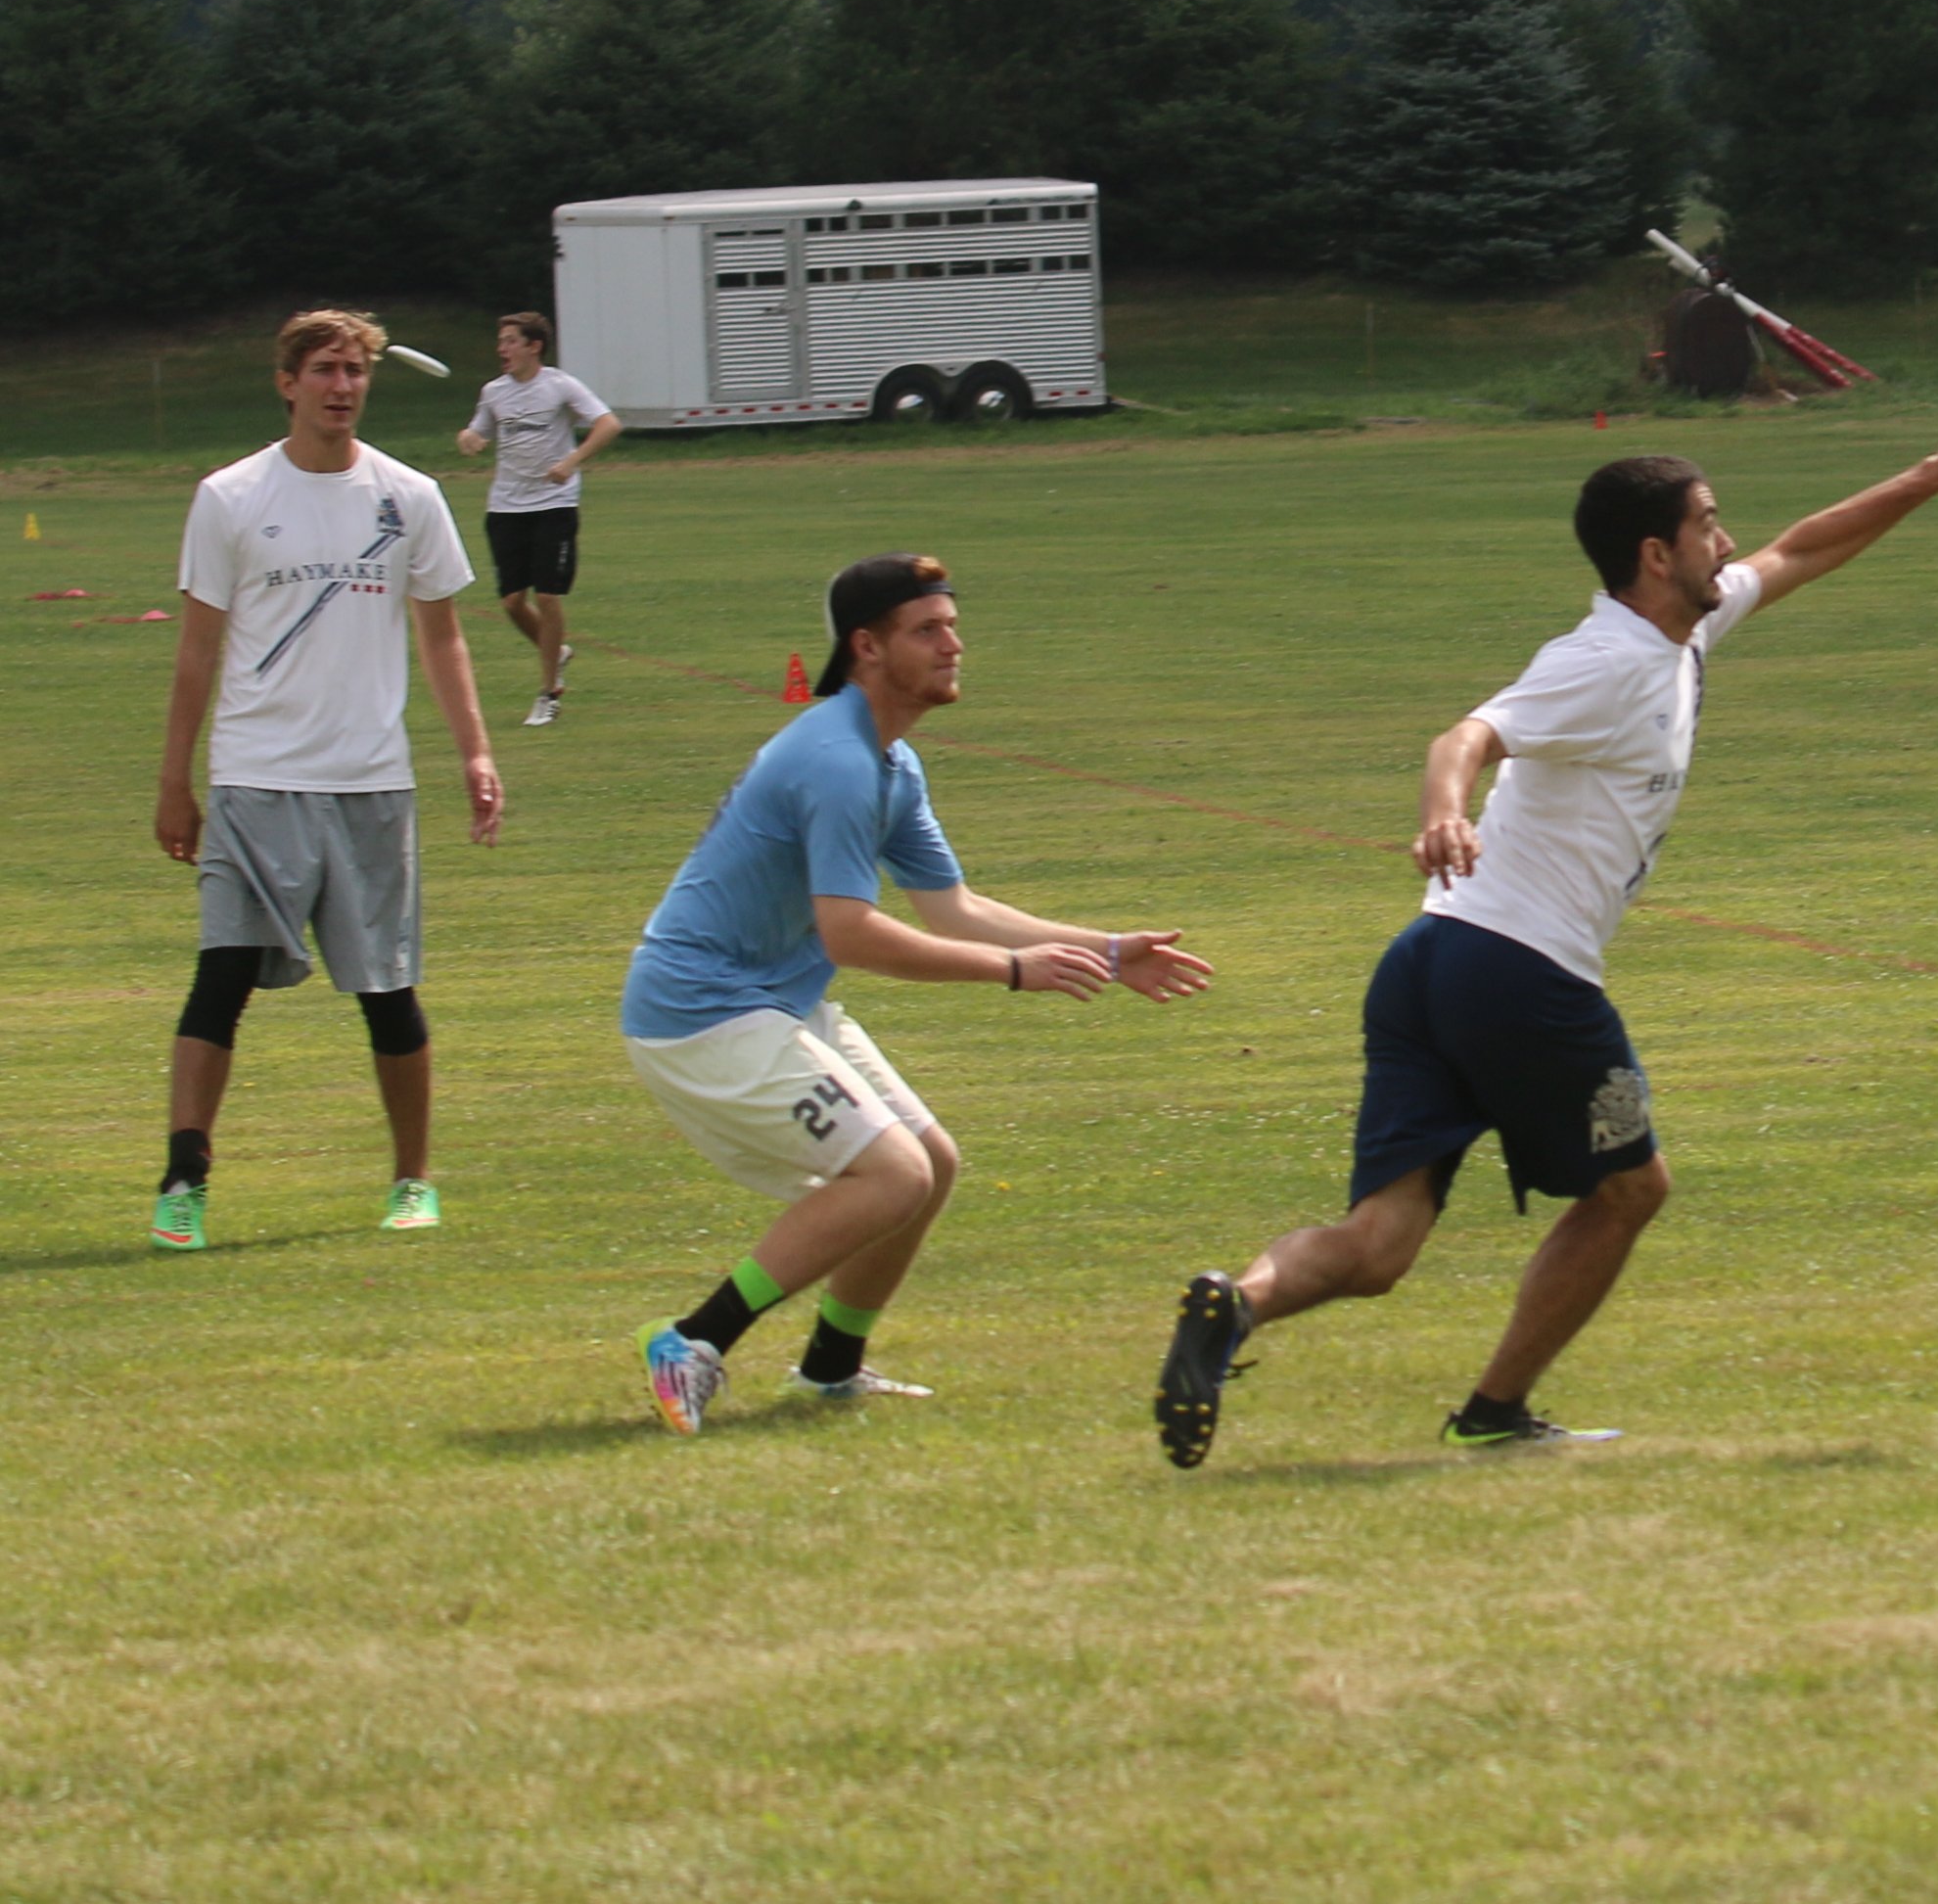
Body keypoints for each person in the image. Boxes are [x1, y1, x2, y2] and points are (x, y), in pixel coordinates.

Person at [1154, 377, 1938, 1466]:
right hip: (1520, 971)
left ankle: (1236, 1303)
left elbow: (1802, 550)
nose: (1727, 542)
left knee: (1379, 1245)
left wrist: (1931, 477)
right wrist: (1443, 812)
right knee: (1629, 1189)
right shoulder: (1603, 661)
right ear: (1657, 554)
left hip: (1429, 959)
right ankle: (1495, 1411)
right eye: (1709, 524)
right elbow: (1466, 735)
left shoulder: (1681, 633)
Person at [627, 553, 1215, 1433]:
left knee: (929, 1164)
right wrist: (1013, 972)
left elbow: (954, 908)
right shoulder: (837, 759)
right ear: (867, 647)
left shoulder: (889, 762)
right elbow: (850, 934)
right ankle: (693, 1342)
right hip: (699, 1011)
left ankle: (831, 1367)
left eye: (952, 626)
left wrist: (1105, 948)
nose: (954, 645)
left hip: (766, 1001)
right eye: (928, 630)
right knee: (892, 1172)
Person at [151, 310, 505, 1250]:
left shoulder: (409, 495)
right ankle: (184, 1180)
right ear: (287, 383)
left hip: (369, 783)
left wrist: (474, 751)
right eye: (324, 370)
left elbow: (443, 636)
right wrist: (174, 781)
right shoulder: (230, 497)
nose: (342, 386)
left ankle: (413, 1180)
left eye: (355, 371)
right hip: (254, 780)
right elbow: (196, 651)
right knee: (220, 977)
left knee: (388, 994)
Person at [454, 311, 618, 727]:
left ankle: (549, 693)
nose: (502, 348)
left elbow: (608, 423)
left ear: (534, 346)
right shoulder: (494, 392)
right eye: (501, 341)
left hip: (554, 503)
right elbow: (478, 431)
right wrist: (469, 439)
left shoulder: (560, 386)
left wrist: (571, 462)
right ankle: (556, 651)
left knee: (547, 596)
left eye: (510, 340)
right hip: (506, 506)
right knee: (512, 602)